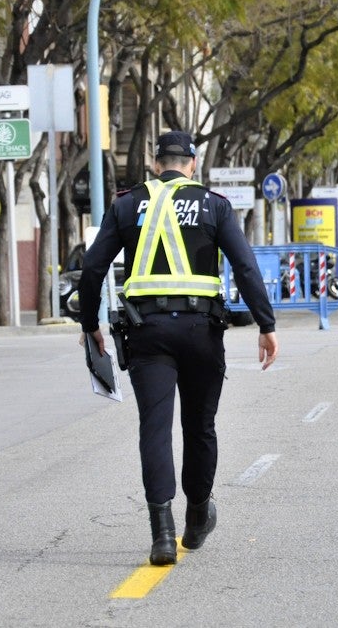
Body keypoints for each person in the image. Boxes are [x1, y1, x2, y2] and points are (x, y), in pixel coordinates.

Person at [78, 131, 278, 566]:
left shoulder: (127, 203)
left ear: (155, 164)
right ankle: (197, 516)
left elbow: (93, 267)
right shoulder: (214, 205)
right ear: (192, 163)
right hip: (201, 332)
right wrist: (266, 324)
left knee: (154, 428)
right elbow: (244, 265)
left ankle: (162, 537)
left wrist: (89, 323)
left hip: (146, 333)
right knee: (200, 427)